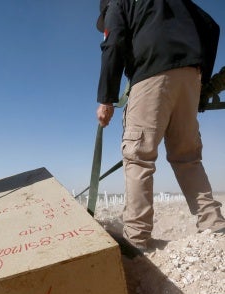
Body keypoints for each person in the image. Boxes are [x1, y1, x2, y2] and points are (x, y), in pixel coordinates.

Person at [95, 0, 225, 255]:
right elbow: (211, 27)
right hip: (190, 76)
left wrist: (106, 98)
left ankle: (136, 238)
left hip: (151, 74)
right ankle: (214, 223)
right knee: (187, 156)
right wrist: (201, 82)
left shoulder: (116, 2)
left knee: (139, 157)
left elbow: (113, 42)